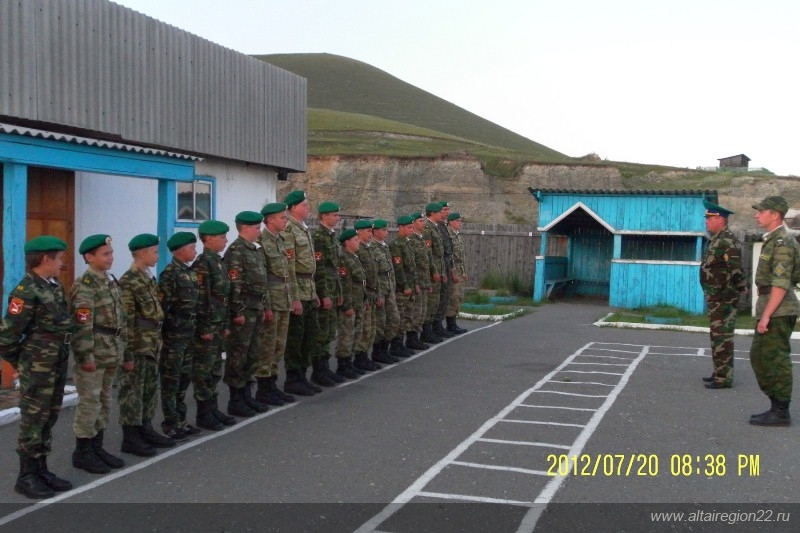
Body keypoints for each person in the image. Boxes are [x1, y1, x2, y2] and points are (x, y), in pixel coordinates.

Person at [0, 236, 73, 498]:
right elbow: (6, 336)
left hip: (56, 362)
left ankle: (41, 468)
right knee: (34, 419)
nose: (62, 263)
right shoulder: (26, 290)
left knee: (49, 415)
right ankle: (26, 475)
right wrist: (22, 362)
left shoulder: (52, 286)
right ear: (45, 259)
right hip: (38, 366)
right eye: (60, 258)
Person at [71, 234, 126, 474]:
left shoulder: (109, 280)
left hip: (110, 349)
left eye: (111, 253)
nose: (110, 258)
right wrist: (85, 357)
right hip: (94, 352)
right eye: (105, 254)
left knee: (104, 400)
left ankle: (97, 446)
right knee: (89, 403)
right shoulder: (85, 285)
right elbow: (81, 325)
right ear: (89, 257)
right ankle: (83, 452)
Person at [118, 234, 175, 457]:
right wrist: (128, 353)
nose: (157, 256)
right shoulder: (128, 281)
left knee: (149, 389)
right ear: (142, 253)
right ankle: (131, 437)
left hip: (153, 343)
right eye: (154, 252)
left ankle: (145, 428)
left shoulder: (148, 278)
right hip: (139, 344)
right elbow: (127, 321)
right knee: (133, 391)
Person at [749, 196, 800, 426]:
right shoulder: (772, 240)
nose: (757, 215)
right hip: (771, 306)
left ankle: (781, 411)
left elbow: (781, 283)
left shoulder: (783, 242)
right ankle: (775, 405)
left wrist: (767, 315)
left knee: (775, 359)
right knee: (759, 357)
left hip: (779, 309)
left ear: (775, 215)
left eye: (761, 211)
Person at [223, 211, 271, 417]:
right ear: (245, 228)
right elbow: (234, 284)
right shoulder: (236, 251)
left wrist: (267, 306)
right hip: (245, 310)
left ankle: (246, 395)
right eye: (256, 228)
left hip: (257, 308)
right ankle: (236, 399)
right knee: (238, 355)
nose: (259, 231)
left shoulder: (256, 250)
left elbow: (263, 281)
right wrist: (237, 311)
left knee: (253, 353)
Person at [192, 220, 238, 430]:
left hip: (219, 324)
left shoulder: (219, 262)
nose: (225, 241)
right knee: (204, 370)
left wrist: (226, 323)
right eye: (221, 237)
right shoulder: (203, 263)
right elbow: (202, 298)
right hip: (209, 326)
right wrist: (205, 328)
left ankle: (213, 408)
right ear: (208, 239)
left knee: (214, 369)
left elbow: (225, 296)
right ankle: (204, 412)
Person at [281, 190, 326, 395]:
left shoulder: (304, 229)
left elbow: (310, 268)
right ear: (293, 207)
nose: (308, 208)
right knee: (296, 336)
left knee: (310, 335)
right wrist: (295, 297)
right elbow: (289, 266)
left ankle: (302, 375)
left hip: (308, 287)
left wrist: (314, 292)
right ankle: (293, 377)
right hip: (298, 287)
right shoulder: (289, 228)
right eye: (304, 205)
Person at [158, 232, 201, 440]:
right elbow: (163, 307)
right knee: (171, 380)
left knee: (184, 379)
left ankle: (181, 420)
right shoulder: (170, 274)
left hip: (189, 333)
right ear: (181, 250)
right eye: (192, 248)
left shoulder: (190, 273)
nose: (195, 251)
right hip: (174, 335)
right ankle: (170, 421)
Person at [699, 201, 745, 389]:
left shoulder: (726, 240)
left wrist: (736, 290)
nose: (706, 222)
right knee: (717, 335)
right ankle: (720, 371)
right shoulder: (717, 239)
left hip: (724, 298)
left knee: (722, 336)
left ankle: (723, 377)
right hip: (716, 297)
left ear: (720, 219)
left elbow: (735, 269)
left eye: (709, 218)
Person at [255, 202, 298, 404]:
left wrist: (295, 298)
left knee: (279, 345)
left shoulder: (280, 240)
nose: (285, 220)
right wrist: (267, 306)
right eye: (282, 217)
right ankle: (263, 387)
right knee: (268, 345)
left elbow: (289, 273)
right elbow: (262, 278)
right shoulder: (261, 241)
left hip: (285, 298)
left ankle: (272, 384)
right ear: (270, 220)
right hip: (272, 299)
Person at [312, 201, 346, 380]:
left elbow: (336, 268)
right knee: (322, 331)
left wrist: (339, 291)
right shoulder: (318, 237)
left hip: (333, 288)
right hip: (325, 290)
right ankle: (319, 369)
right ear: (323, 216)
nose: (337, 217)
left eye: (337, 215)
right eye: (334, 215)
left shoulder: (331, 236)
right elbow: (320, 268)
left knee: (330, 330)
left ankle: (324, 368)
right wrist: (324, 294)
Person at [371, 219, 408, 361]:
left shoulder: (384, 247)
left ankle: (385, 348)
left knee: (394, 319)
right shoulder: (373, 248)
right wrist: (378, 293)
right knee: (381, 322)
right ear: (375, 232)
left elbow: (390, 270)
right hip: (380, 290)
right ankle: (378, 351)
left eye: (387, 230)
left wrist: (392, 287)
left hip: (389, 289)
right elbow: (374, 274)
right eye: (384, 230)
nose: (387, 233)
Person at [335, 229, 367, 379]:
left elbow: (361, 281)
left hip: (358, 300)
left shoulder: (354, 257)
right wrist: (347, 305)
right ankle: (343, 364)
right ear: (347, 242)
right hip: (351, 303)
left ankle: (351, 363)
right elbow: (345, 283)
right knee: (346, 334)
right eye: (355, 239)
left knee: (356, 333)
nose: (358, 241)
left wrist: (364, 300)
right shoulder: (344, 258)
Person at [354, 219, 384, 370]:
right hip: (364, 294)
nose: (370, 234)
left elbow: (375, 274)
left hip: (373, 292)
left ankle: (365, 355)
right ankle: (359, 357)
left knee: (371, 328)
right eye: (367, 231)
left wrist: (378, 293)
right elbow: (359, 276)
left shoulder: (370, 248)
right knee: (363, 328)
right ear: (358, 232)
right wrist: (364, 296)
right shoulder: (357, 249)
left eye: (371, 231)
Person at [390, 215, 419, 358]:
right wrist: (405, 286)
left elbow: (411, 268)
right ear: (400, 228)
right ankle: (396, 345)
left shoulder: (407, 243)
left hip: (410, 285)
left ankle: (401, 343)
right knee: (400, 317)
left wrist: (415, 284)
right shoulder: (396, 244)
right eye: (409, 227)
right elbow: (399, 269)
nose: (412, 230)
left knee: (408, 316)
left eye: (412, 227)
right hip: (402, 288)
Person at [421, 203, 446, 344]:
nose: (441, 214)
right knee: (431, 302)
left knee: (436, 301)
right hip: (432, 270)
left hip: (438, 267)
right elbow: (428, 252)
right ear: (432, 213)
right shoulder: (427, 229)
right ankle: (426, 331)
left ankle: (431, 328)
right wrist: (434, 271)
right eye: (438, 212)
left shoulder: (435, 228)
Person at [408, 212, 432, 351]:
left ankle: (417, 336)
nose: (423, 223)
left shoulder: (421, 239)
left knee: (422, 311)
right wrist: (415, 282)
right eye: (420, 221)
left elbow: (427, 262)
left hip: (424, 280)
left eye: (424, 221)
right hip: (416, 281)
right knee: (415, 310)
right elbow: (412, 265)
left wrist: (427, 281)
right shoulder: (411, 240)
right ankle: (411, 338)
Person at [433, 201, 455, 339]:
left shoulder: (442, 226)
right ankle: (434, 327)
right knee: (436, 300)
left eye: (448, 209)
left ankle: (439, 325)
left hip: (445, 266)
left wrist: (451, 268)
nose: (446, 212)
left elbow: (448, 251)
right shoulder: (434, 228)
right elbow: (434, 253)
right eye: (444, 210)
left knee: (444, 298)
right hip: (439, 268)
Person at [445, 212, 469, 335]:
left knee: (458, 297)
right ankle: (450, 324)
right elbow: (450, 256)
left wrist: (464, 271)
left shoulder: (457, 235)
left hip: (459, 269)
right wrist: (453, 271)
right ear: (451, 222)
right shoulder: (448, 235)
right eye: (458, 221)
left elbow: (461, 256)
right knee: (453, 297)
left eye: (461, 221)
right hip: (452, 270)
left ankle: (454, 322)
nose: (460, 223)